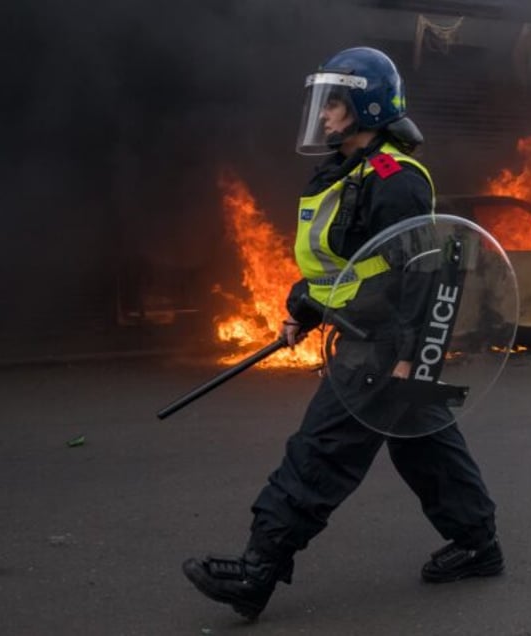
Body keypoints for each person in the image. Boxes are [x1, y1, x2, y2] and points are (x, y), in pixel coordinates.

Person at [182, 46, 503, 621]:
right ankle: (479, 544)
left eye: (333, 102)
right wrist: (303, 310)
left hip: (382, 347)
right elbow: (345, 265)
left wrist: (410, 357)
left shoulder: (394, 180)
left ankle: (258, 570)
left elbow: (424, 275)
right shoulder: (343, 173)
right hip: (365, 333)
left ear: (363, 107)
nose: (323, 114)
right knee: (424, 446)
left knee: (319, 452)